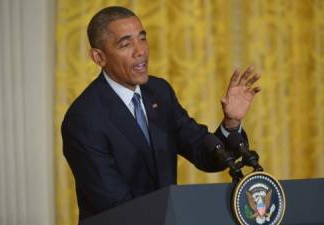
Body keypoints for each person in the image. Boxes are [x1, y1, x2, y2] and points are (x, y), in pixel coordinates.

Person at [61, 6, 261, 221]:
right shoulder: (84, 118)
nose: (141, 51)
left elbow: (205, 155)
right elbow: (115, 205)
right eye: (126, 44)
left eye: (142, 39)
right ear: (99, 57)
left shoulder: (159, 92)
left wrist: (231, 122)